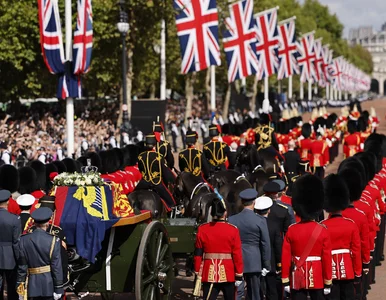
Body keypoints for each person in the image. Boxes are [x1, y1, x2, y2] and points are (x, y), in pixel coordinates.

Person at [281, 174, 332, 300]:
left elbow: (286, 257)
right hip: (317, 275)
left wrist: (285, 280)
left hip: (297, 275)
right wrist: (328, 281)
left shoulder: (292, 230)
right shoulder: (322, 230)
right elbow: (326, 258)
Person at [194, 196, 243, 300]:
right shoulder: (233, 230)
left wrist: (197, 269)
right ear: (225, 213)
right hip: (228, 272)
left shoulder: (202, 229)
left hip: (208, 272)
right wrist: (239, 274)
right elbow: (237, 254)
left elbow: (198, 253)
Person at [321, 174, 362, 300]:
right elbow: (356, 251)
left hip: (329, 272)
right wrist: (358, 272)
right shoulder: (351, 225)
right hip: (348, 270)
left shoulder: (322, 226)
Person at [229, 188, 271, 300]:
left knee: (237, 293)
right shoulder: (260, 220)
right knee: (255, 294)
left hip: (237, 260)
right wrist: (266, 264)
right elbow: (265, 243)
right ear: (254, 202)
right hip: (254, 260)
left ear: (242, 202)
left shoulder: (232, 220)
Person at [16, 207, 63, 300]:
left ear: (34, 222)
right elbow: (56, 266)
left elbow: (22, 266)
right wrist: (58, 288)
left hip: (32, 284)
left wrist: (20, 285)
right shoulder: (54, 240)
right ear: (48, 223)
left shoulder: (23, 240)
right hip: (49, 284)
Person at [136, 133, 176, 211]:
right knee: (171, 201)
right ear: (155, 144)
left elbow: (141, 170)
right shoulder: (159, 156)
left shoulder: (140, 156)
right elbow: (165, 173)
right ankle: (173, 209)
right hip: (156, 183)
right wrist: (171, 181)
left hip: (143, 183)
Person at [255, 196, 283, 300]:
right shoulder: (274, 225)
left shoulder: (253, 223)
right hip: (271, 262)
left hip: (256, 262)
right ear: (269, 210)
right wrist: (279, 264)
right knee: (272, 290)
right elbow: (277, 246)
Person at [0, 190, 21, 300]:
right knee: (12, 288)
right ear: (8, 201)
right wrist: (19, 258)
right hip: (10, 256)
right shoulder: (14, 219)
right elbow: (16, 242)